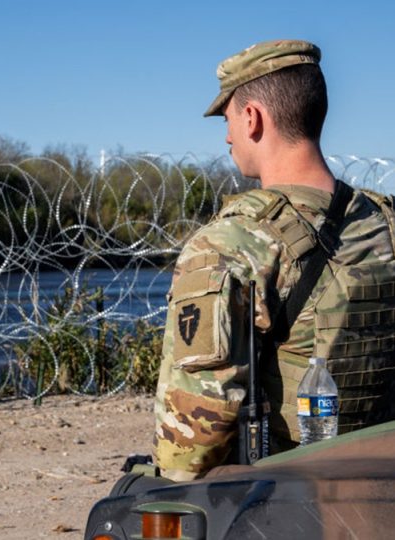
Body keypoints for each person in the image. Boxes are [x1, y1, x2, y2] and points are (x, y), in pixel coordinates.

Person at [153, 39, 395, 481]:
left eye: (227, 121)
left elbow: (190, 446)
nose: (227, 137)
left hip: (289, 500)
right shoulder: (386, 223)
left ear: (252, 118)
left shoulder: (231, 243)